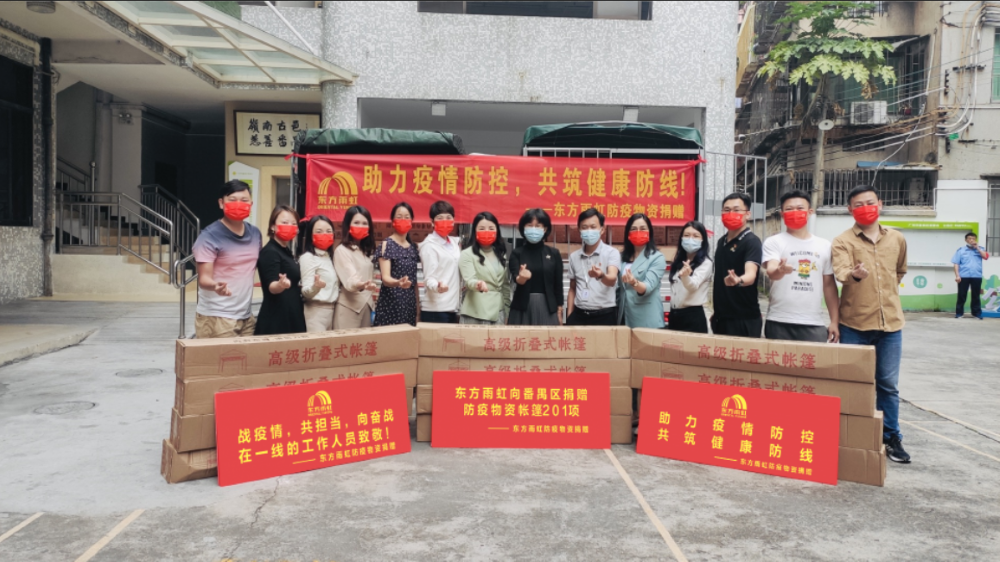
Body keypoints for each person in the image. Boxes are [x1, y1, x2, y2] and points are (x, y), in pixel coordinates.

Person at [832, 185, 910, 464]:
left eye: (870, 202)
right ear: (849, 210)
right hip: (854, 325)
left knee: (888, 385)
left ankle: (891, 437)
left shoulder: (897, 238)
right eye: (858, 204)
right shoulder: (842, 241)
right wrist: (855, 275)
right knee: (854, 384)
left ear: (880, 203)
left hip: (891, 325)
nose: (865, 208)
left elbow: (900, 270)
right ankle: (852, 436)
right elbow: (841, 273)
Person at [762, 190, 840, 343]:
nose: (795, 212)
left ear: (809, 212)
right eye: (789, 209)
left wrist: (834, 321)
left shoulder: (824, 245)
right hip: (779, 320)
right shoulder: (774, 242)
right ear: (782, 214)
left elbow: (829, 285)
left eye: (800, 208)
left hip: (813, 322)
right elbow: (771, 271)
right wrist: (780, 270)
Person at [191, 180, 262, 338]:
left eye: (244, 200)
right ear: (221, 203)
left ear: (251, 204)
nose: (239, 204)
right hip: (216, 317)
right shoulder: (208, 237)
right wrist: (215, 286)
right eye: (232, 199)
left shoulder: (255, 234)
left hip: (246, 316)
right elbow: (204, 279)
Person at [711, 192, 763, 337]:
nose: (731, 214)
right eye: (726, 210)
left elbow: (751, 274)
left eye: (736, 210)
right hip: (721, 318)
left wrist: (738, 280)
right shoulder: (721, 241)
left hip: (744, 319)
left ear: (748, 214)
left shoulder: (751, 242)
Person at [254, 205, 307, 335]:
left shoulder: (286, 251)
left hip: (292, 313)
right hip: (277, 319)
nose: (290, 226)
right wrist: (280, 285)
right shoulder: (270, 251)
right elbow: (272, 286)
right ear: (273, 226)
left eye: (294, 224)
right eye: (284, 222)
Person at [508, 208, 564, 325]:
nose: (534, 229)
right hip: (522, 307)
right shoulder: (517, 253)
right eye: (529, 225)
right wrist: (522, 277)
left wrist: (559, 309)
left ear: (545, 229)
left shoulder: (553, 253)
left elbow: (558, 284)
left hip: (547, 307)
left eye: (538, 226)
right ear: (523, 228)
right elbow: (516, 278)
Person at [566, 208, 621, 326]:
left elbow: (612, 279)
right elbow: (572, 288)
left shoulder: (612, 253)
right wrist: (569, 316)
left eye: (593, 227)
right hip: (579, 315)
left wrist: (601, 275)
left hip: (604, 315)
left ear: (602, 229)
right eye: (584, 227)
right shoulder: (574, 257)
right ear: (579, 230)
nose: (589, 231)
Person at [458, 211, 511, 324]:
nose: (487, 232)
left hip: (498, 312)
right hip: (475, 312)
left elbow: (505, 285)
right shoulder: (467, 254)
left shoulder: (501, 253)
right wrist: (478, 284)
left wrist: (507, 310)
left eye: (491, 228)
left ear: (497, 231)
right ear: (475, 231)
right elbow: (469, 280)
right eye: (482, 229)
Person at [374, 202, 421, 327]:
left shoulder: (413, 248)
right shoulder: (387, 244)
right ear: (393, 221)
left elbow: (414, 283)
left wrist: (418, 309)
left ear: (411, 221)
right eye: (399, 217)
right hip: (390, 305)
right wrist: (398, 282)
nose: (403, 220)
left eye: (407, 217)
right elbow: (385, 278)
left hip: (409, 305)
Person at [617, 213, 666, 328]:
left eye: (643, 229)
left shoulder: (657, 257)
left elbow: (647, 287)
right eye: (634, 229)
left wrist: (634, 282)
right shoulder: (622, 257)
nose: (638, 232)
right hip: (624, 318)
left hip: (646, 319)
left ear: (650, 232)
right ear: (628, 233)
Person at [333, 206, 377, 329]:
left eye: (364, 223)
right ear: (348, 225)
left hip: (367, 305)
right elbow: (350, 280)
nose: (360, 226)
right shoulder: (342, 250)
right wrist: (361, 284)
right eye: (356, 223)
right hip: (349, 308)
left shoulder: (366, 251)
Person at [666, 221, 712, 333]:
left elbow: (693, 285)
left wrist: (686, 276)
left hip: (693, 317)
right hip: (674, 315)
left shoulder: (706, 263)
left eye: (696, 236)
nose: (690, 239)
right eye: (686, 235)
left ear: (703, 240)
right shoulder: (679, 261)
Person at [419, 201, 461, 324]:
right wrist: (437, 286)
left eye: (448, 217)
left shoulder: (454, 243)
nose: (445, 221)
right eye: (440, 218)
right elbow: (429, 278)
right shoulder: (429, 246)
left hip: (452, 308)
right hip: (436, 310)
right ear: (432, 222)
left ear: (453, 220)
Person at [299, 215, 339, 333]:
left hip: (331, 312)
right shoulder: (308, 257)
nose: (324, 234)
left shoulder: (329, 257)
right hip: (315, 312)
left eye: (328, 231)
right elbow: (305, 291)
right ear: (311, 235)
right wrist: (315, 287)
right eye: (319, 231)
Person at [952, 231, 989, 319]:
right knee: (962, 295)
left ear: (976, 240)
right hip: (963, 276)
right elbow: (956, 263)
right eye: (969, 238)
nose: (971, 240)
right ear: (966, 240)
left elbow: (986, 257)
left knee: (976, 295)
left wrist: (977, 248)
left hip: (976, 276)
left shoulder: (981, 249)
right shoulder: (961, 250)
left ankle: (976, 313)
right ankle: (959, 313)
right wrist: (957, 275)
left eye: (973, 238)